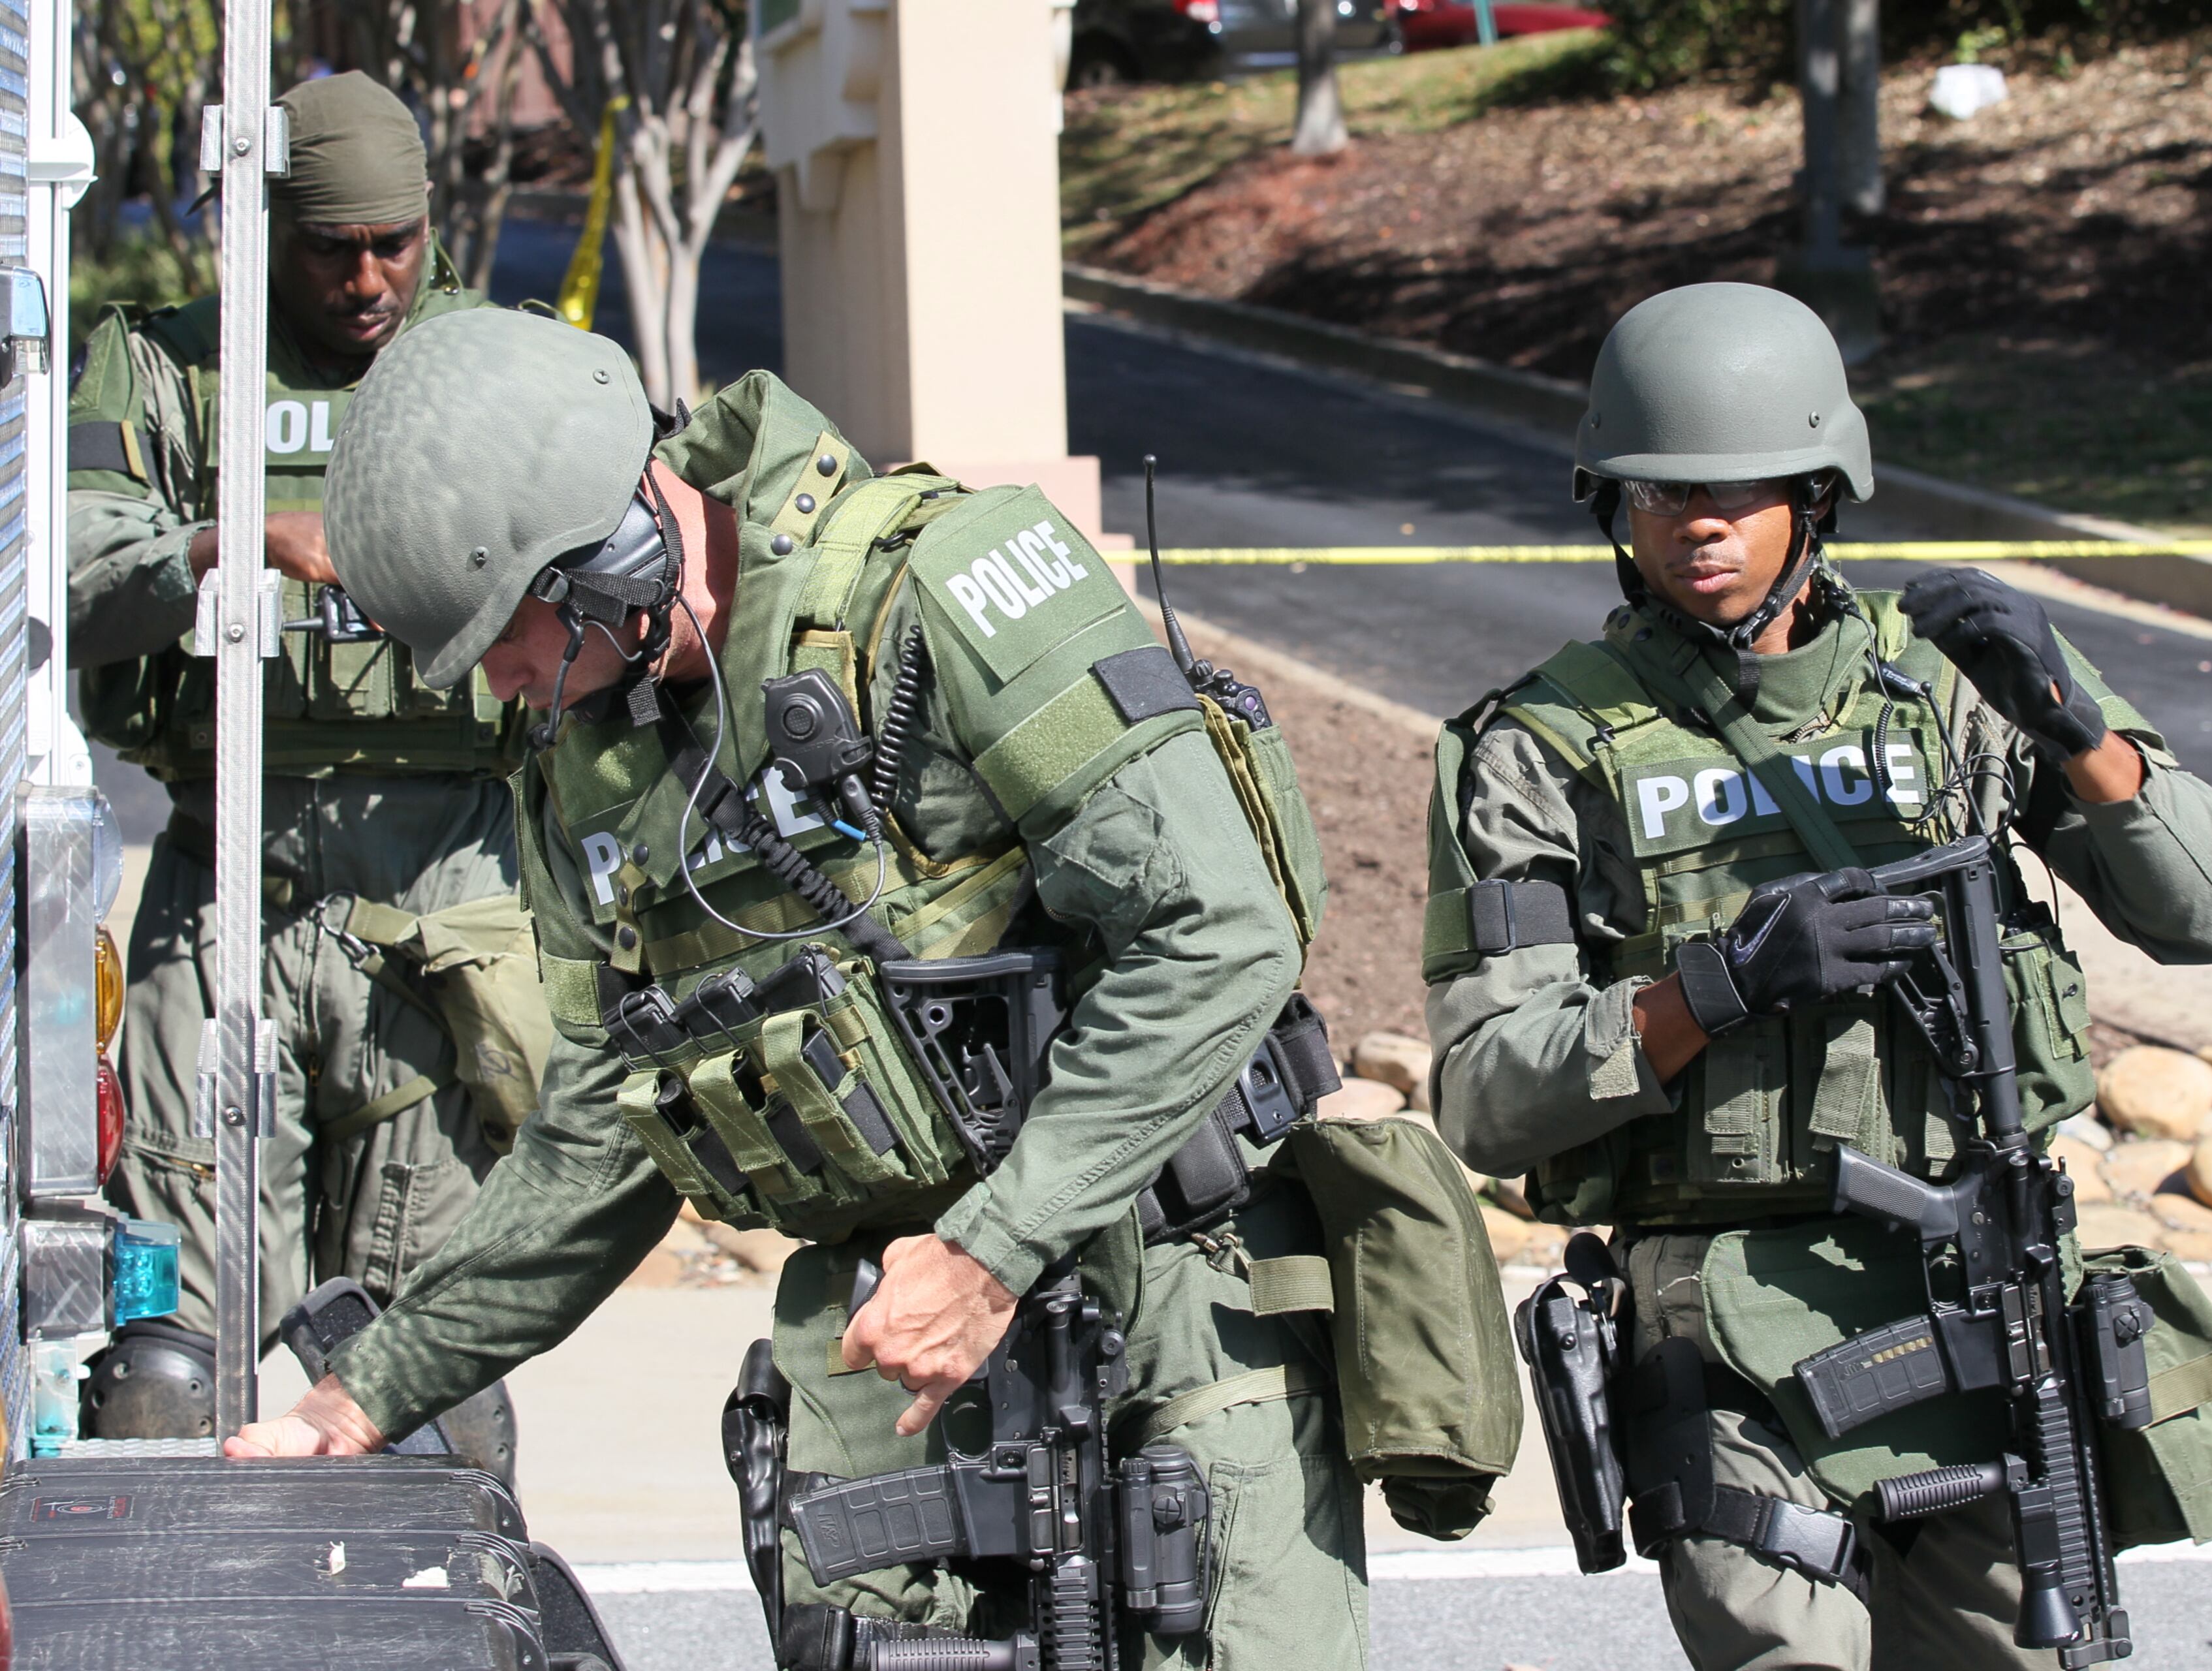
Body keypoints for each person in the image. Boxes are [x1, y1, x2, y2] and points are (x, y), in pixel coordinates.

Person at [227, 308, 1369, 1671]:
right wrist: (366, 1396)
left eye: (504, 637)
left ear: (614, 551)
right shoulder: (582, 758)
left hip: (1167, 1284)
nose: (500, 687)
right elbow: (606, 1126)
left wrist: (993, 1249)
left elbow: (1219, 930)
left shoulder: (942, 583)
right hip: (889, 1338)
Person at [1425, 283, 2212, 1670]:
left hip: (1980, 1296)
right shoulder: (1540, 750)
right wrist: (1715, 989)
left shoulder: (1958, 688)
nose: (1696, 523)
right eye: (1657, 492)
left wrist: (2075, 728)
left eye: (1736, 490)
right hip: (1722, 1328)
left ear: (1817, 493)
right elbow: (1487, 1094)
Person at [66, 70, 540, 1467]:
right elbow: (72, 569)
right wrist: (235, 543)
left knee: (431, 1372)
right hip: (226, 870)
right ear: (270, 230)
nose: (369, 277)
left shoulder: (506, 366)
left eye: (395, 241)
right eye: (334, 246)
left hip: (445, 891)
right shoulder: (165, 368)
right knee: (164, 1367)